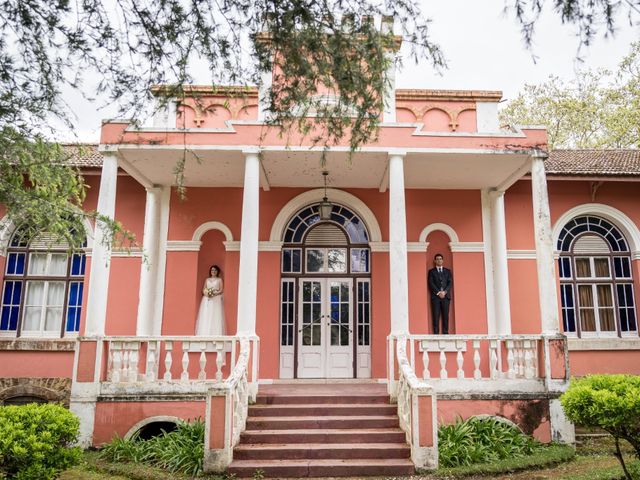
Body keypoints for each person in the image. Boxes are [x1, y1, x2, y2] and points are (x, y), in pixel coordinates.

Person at [195, 264, 225, 335]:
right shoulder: (207, 279)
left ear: (217, 271)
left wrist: (214, 293)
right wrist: (207, 294)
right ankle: (204, 332)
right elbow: (204, 289)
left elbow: (221, 290)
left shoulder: (219, 280)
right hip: (207, 299)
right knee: (206, 314)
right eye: (212, 270)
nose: (213, 271)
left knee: (215, 314)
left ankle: (215, 333)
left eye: (215, 270)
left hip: (216, 299)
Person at [428, 253, 452, 334]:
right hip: (436, 297)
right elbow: (431, 283)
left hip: (446, 297)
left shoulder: (447, 271)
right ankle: (436, 334)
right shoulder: (431, 272)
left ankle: (445, 333)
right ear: (435, 261)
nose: (439, 260)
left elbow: (450, 283)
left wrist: (444, 292)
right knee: (436, 316)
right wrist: (438, 293)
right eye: (437, 259)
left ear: (443, 260)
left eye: (440, 259)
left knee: (445, 316)